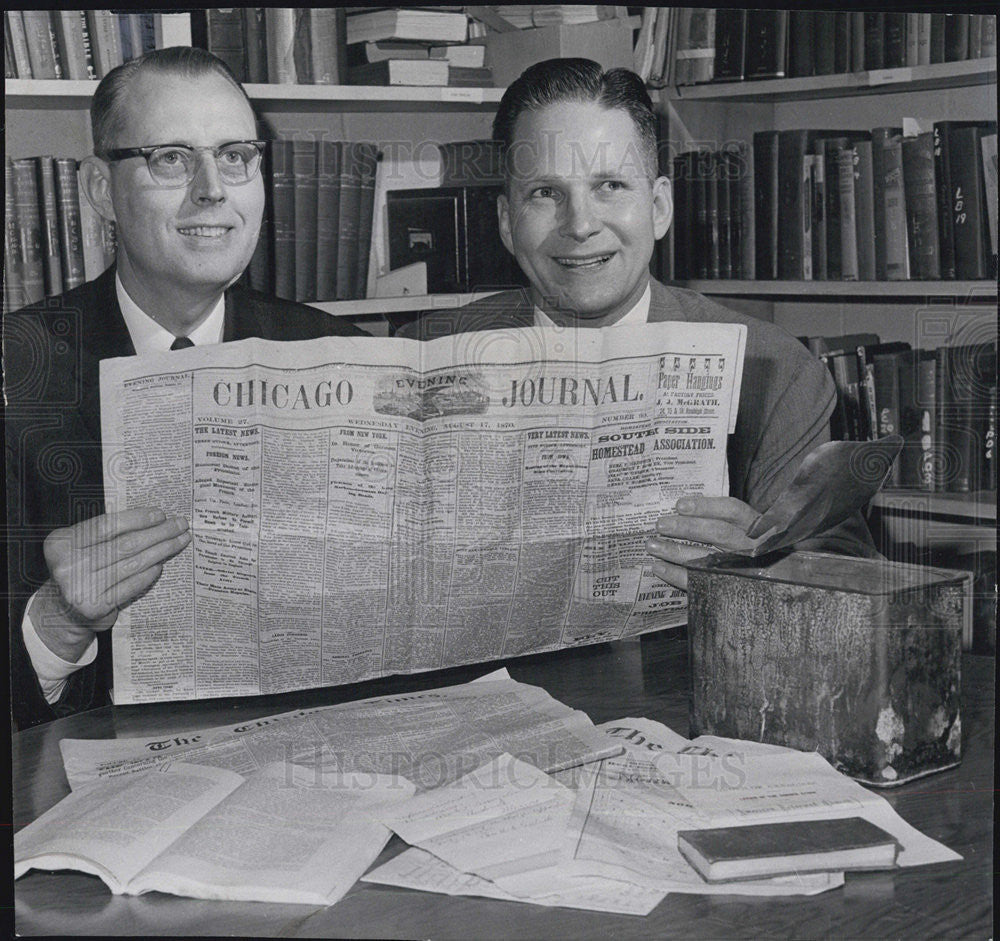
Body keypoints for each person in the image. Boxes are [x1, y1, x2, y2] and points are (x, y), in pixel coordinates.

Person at [397, 58, 878, 586]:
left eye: (610, 187)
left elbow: (853, 577)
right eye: (545, 193)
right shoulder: (426, 352)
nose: (580, 225)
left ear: (659, 207)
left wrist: (769, 565)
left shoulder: (776, 371)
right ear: (508, 224)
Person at [6, 47, 366, 729]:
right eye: (171, 158)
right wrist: (57, 621)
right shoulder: (11, 374)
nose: (212, 189)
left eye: (236, 155)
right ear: (97, 190)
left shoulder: (342, 358)